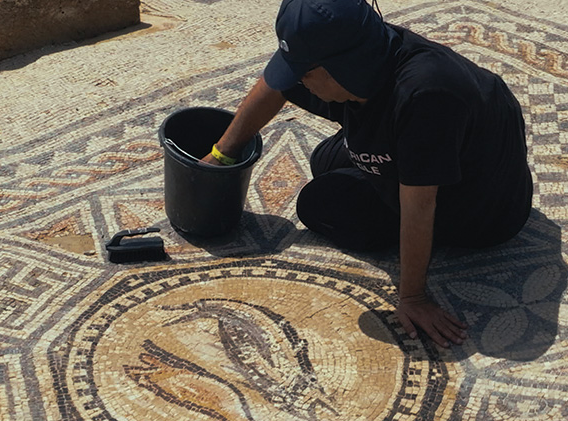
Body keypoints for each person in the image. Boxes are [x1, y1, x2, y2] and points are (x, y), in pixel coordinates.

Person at [203, 0, 533, 349]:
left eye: (303, 72)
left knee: (319, 203)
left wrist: (413, 297)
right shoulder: (364, 49)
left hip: (484, 211)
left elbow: (420, 206)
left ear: (342, 69)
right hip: (442, 148)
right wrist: (220, 156)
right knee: (324, 160)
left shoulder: (426, 95)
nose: (297, 81)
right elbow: (275, 85)